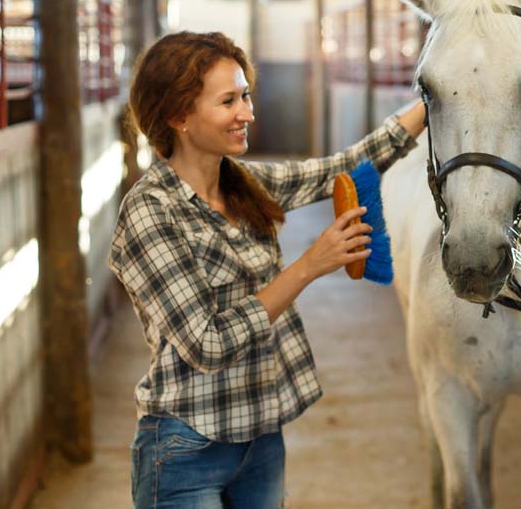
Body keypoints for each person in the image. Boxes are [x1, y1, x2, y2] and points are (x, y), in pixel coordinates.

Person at [108, 31, 425, 508]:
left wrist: (433, 102)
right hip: (184, 448)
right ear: (179, 117)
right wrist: (309, 266)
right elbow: (207, 344)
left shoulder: (244, 184)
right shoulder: (151, 212)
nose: (248, 113)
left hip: (260, 437)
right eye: (229, 101)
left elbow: (342, 165)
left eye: (247, 95)